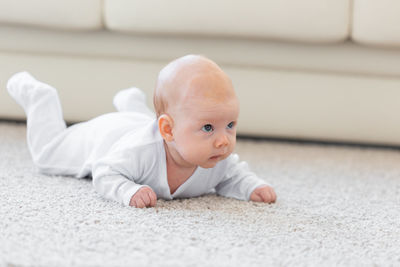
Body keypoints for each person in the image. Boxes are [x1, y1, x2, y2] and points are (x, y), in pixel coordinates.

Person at [7, 55, 277, 208]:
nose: (223, 141)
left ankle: (132, 106)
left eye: (230, 125)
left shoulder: (215, 156)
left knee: (147, 123)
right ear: (167, 130)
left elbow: (234, 175)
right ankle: (40, 98)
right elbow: (105, 171)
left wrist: (252, 187)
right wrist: (127, 190)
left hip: (142, 125)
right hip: (107, 135)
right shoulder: (138, 153)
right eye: (208, 128)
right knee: (46, 155)